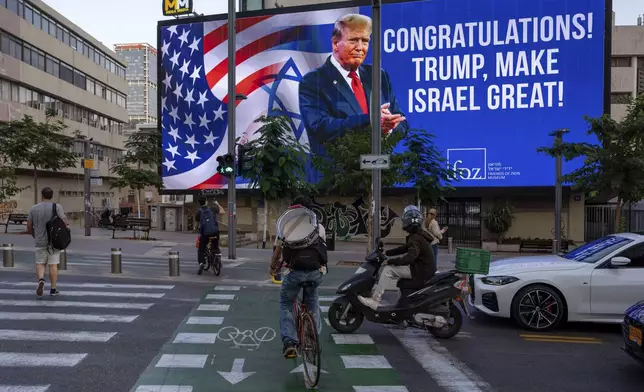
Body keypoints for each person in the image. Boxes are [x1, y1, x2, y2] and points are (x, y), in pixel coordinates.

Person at [298, 13, 408, 159]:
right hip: (337, 175)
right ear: (335, 44)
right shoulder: (313, 81)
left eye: (365, 41)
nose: (360, 47)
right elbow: (321, 127)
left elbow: (402, 124)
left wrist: (389, 128)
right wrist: (370, 121)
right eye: (354, 40)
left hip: (378, 169)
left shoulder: (378, 75)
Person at [270, 196, 328, 359]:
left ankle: (289, 343)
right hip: (316, 272)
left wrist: (272, 268)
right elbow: (323, 248)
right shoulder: (318, 226)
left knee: (286, 303)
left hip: (294, 273)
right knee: (312, 300)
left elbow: (277, 252)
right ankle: (312, 337)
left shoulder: (286, 225)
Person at [358, 205, 435, 310]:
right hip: (423, 269)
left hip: (419, 271)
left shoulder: (415, 238)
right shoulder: (418, 235)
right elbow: (404, 248)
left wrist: (390, 261)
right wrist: (387, 253)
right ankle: (402, 306)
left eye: (405, 221)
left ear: (408, 222)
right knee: (398, 278)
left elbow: (410, 257)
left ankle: (375, 300)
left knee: (388, 270)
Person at [26, 187, 69, 297]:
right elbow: (64, 222)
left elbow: (29, 225)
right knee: (53, 265)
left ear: (42, 196)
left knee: (40, 263)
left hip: (40, 240)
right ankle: (53, 289)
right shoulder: (57, 207)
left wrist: (34, 235)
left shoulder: (34, 208)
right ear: (52, 195)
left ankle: (41, 280)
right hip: (53, 241)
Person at [195, 197, 226, 274]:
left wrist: (196, 228)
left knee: (201, 248)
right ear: (206, 202)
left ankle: (201, 263)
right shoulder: (212, 209)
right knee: (215, 246)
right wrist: (217, 203)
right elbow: (223, 212)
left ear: (200, 203)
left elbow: (197, 222)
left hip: (205, 233)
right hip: (215, 232)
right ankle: (217, 256)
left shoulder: (199, 212)